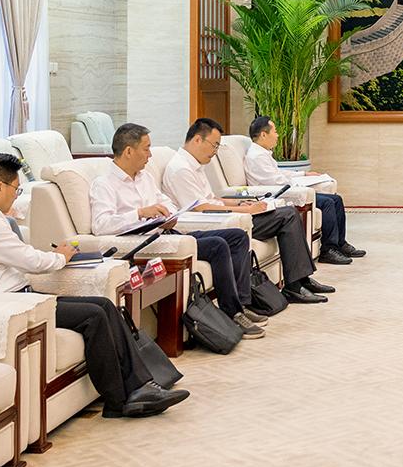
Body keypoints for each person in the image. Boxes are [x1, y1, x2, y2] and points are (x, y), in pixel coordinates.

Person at [0, 153, 190, 418]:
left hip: (17, 298)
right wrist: (61, 257)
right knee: (95, 315)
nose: (15, 197)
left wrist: (54, 256)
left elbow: (16, 257)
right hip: (10, 304)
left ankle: (140, 388)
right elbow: (30, 261)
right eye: (15, 189)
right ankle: (122, 399)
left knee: (103, 306)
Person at [91, 123, 268, 339]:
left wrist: (168, 216)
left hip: (168, 235)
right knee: (218, 246)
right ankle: (232, 314)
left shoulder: (144, 177)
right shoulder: (105, 184)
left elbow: (166, 203)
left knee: (237, 237)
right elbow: (100, 225)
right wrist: (139, 214)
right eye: (146, 149)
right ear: (129, 151)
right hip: (145, 243)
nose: (150, 155)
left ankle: (242, 304)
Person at [161, 118, 333, 305]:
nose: (215, 152)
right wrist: (246, 210)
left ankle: (301, 281)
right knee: (287, 216)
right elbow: (200, 208)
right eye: (214, 145)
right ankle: (295, 286)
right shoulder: (181, 169)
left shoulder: (195, 165)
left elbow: (212, 198)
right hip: (215, 223)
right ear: (197, 140)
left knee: (287, 212)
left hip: (227, 215)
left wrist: (242, 203)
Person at [244, 116, 364, 265]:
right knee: (327, 203)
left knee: (336, 199)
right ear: (263, 134)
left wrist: (305, 175)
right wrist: (300, 184)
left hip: (286, 189)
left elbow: (279, 174)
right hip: (278, 195)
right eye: (274, 132)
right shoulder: (256, 157)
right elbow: (276, 181)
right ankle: (328, 250)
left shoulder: (262, 153)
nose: (277, 135)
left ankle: (340, 243)